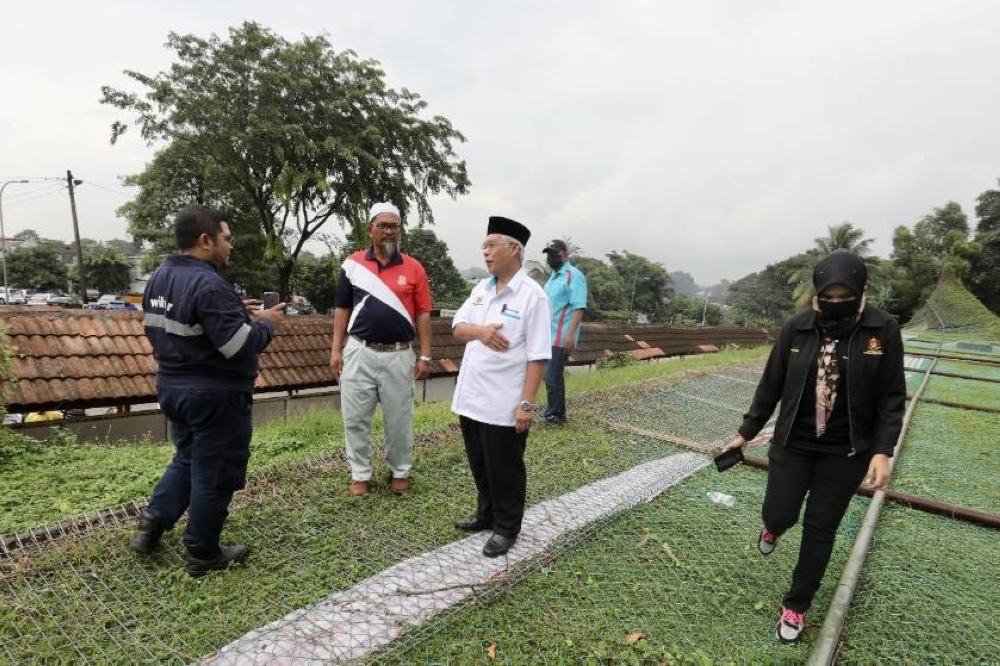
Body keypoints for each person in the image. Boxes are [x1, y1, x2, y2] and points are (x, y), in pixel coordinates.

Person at [721, 250, 905, 643]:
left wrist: (882, 449)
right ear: (816, 295)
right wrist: (745, 433)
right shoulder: (797, 329)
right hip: (793, 443)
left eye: (845, 296)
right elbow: (770, 385)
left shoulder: (883, 330)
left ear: (863, 292)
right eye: (828, 297)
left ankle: (797, 604)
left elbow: (892, 396)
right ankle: (773, 528)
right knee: (780, 512)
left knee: (821, 529)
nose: (835, 304)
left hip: (847, 452)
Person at [129, 204, 285, 577]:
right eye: (225, 239)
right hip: (214, 396)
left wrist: (234, 311)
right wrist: (266, 323)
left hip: (173, 386)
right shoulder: (210, 284)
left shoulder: (159, 278)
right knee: (213, 471)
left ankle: (151, 526)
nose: (229, 246)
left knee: (187, 458)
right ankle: (203, 553)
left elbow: (191, 323)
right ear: (205, 241)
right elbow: (238, 347)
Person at [451, 216, 552, 557]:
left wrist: (526, 404)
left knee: (505, 468)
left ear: (513, 248)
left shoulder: (532, 297)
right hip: (471, 397)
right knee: (479, 462)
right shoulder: (481, 289)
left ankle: (506, 528)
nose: (485, 252)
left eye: (491, 245)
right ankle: (486, 514)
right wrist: (480, 332)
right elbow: (457, 327)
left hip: (504, 402)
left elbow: (538, 356)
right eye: (484, 246)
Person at [330, 202, 433, 496]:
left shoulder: (414, 268)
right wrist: (336, 351)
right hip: (359, 351)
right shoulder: (352, 265)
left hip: (400, 354)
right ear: (370, 230)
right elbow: (341, 309)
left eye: (394, 226)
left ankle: (400, 471)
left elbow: (424, 312)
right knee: (355, 418)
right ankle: (360, 474)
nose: (389, 231)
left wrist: (424, 354)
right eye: (383, 226)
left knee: (399, 419)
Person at [541, 239, 588, 424]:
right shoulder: (553, 277)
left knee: (553, 375)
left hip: (561, 336)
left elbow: (579, 307)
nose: (551, 257)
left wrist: (569, 336)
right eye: (549, 254)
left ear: (565, 254)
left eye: (555, 253)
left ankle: (556, 414)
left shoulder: (573, 275)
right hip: (547, 334)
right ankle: (554, 410)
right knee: (548, 375)